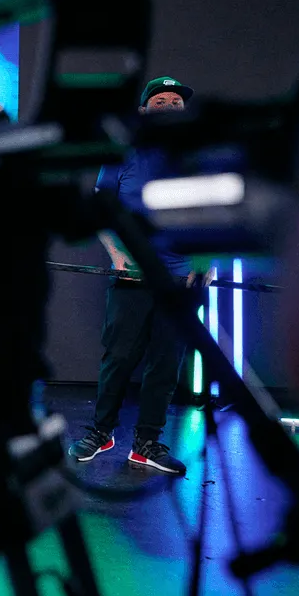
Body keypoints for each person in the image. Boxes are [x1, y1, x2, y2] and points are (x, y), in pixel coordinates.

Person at [69, 77, 211, 477]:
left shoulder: (196, 155)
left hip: (179, 281)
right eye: (160, 99)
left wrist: (205, 263)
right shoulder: (122, 153)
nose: (169, 104)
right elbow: (101, 205)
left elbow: (208, 212)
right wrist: (116, 252)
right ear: (145, 110)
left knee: (165, 364)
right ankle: (101, 432)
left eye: (176, 101)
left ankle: (146, 444)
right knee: (118, 358)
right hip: (131, 277)